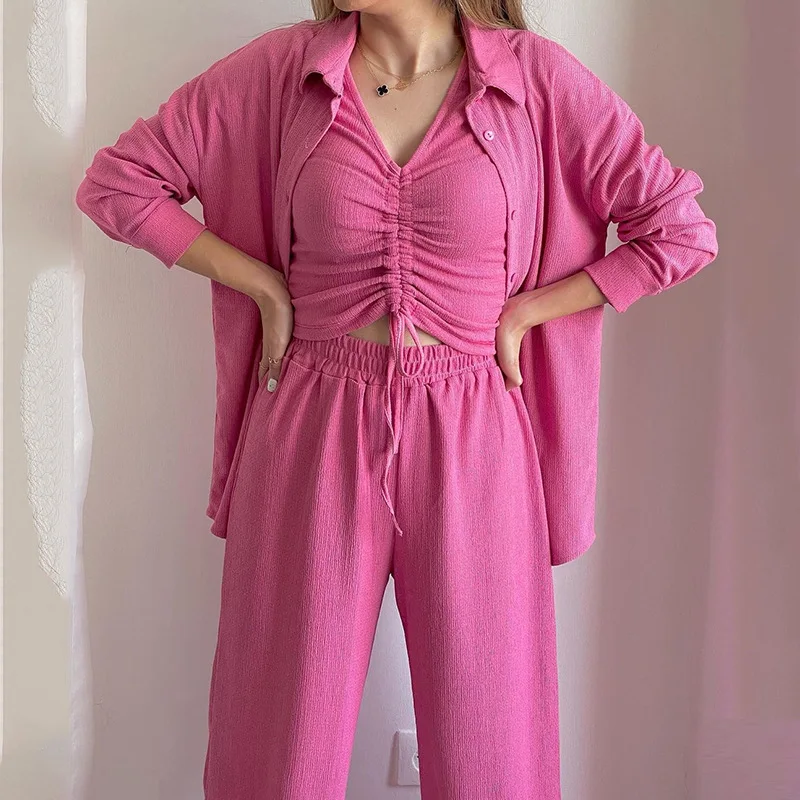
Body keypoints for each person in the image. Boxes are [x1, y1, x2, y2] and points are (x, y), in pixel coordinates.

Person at [74, 1, 718, 797]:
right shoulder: (282, 73)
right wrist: (262, 286)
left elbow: (679, 231)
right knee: (279, 751)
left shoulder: (536, 81)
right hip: (310, 422)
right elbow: (118, 185)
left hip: (477, 433)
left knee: (492, 755)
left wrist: (530, 311)